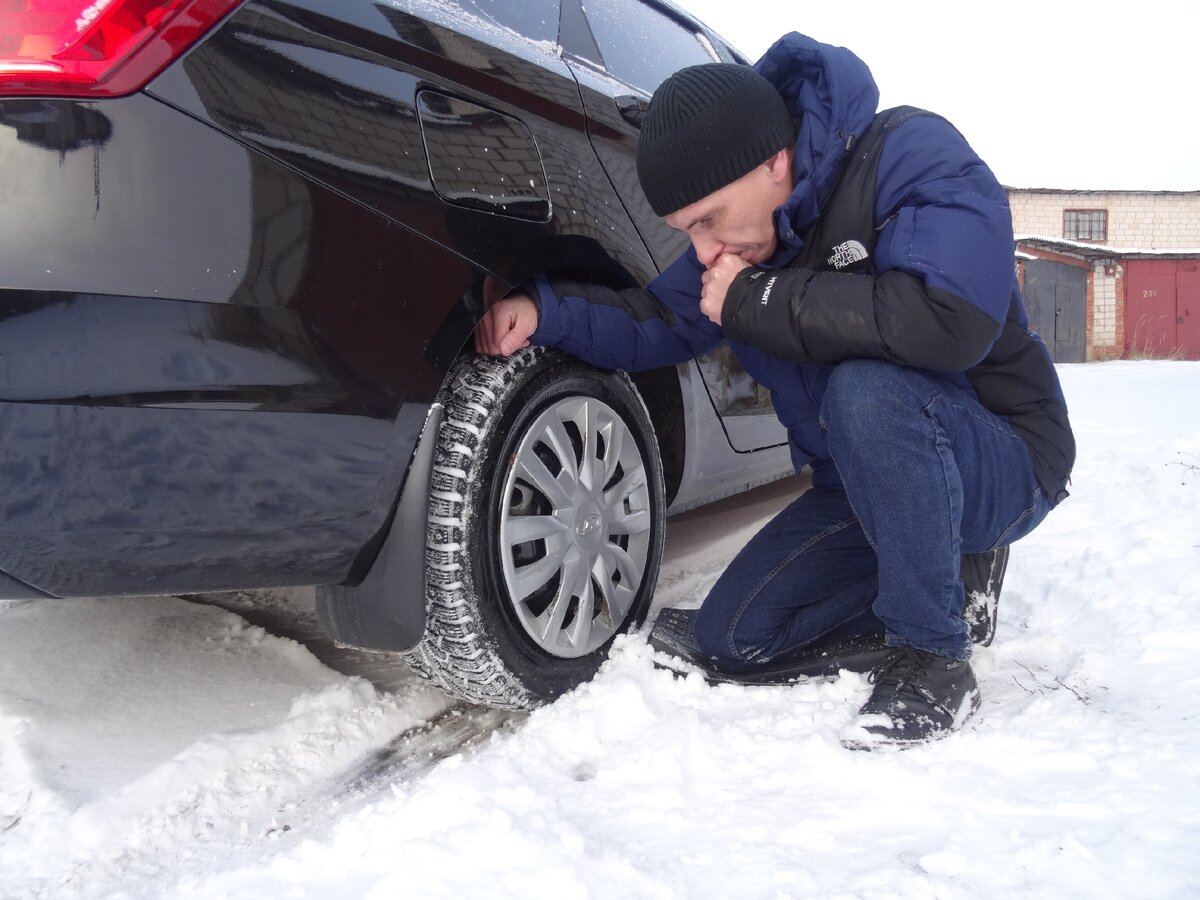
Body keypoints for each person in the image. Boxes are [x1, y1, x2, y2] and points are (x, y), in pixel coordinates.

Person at [474, 32, 1074, 749]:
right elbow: (656, 319)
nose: (705, 251)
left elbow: (948, 321)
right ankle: (948, 585)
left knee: (865, 390)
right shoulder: (746, 245)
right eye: (686, 232)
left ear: (774, 161)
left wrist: (758, 298)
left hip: (1002, 458)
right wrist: (544, 313)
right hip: (858, 486)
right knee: (735, 637)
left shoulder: (910, 155)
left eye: (709, 219)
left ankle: (934, 653)